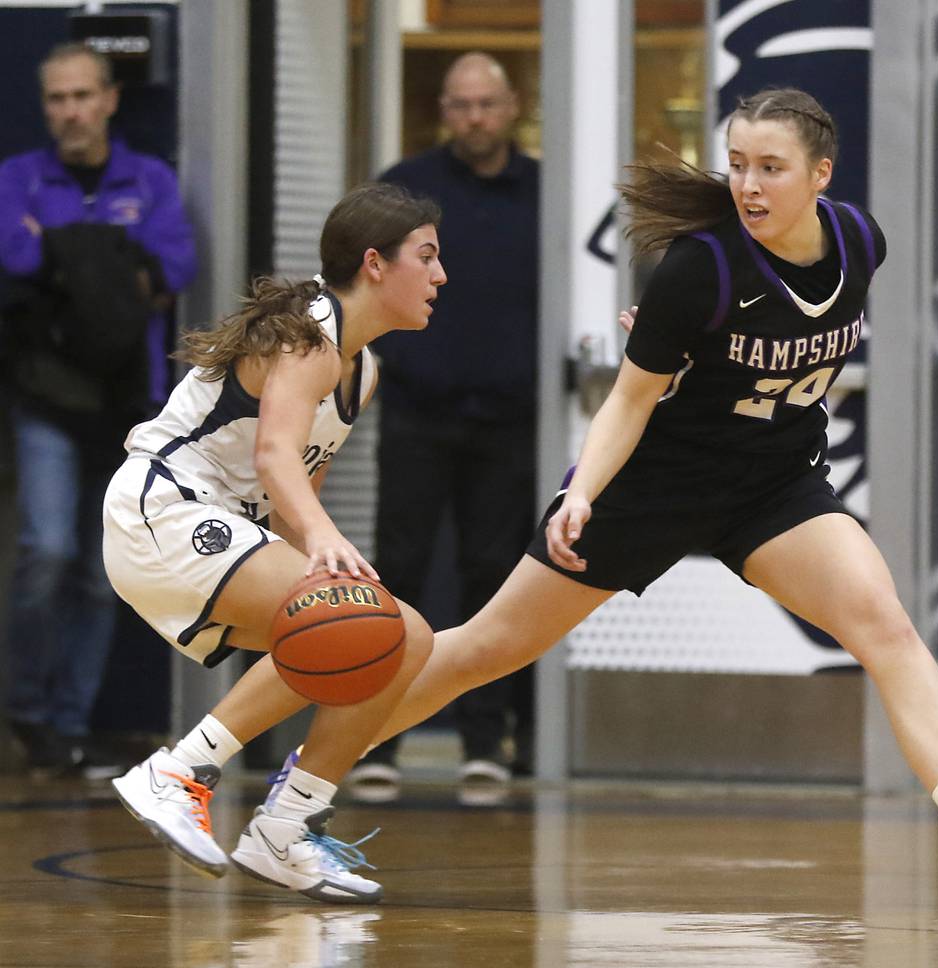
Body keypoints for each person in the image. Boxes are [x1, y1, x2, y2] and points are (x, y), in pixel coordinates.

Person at [329, 87, 938, 900]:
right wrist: (582, 492)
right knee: (481, 650)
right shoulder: (700, 268)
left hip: (772, 485)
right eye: (739, 165)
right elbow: (630, 399)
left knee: (887, 626)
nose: (749, 185)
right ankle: (305, 783)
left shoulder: (861, 241)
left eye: (771, 169)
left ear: (821, 174)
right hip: (654, 487)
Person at [103, 183, 442, 903]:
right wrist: (328, 546)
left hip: (217, 522)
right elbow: (273, 457)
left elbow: (293, 494)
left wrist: (334, 557)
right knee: (349, 621)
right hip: (162, 507)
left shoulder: (364, 367)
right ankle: (178, 772)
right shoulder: (308, 334)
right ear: (376, 265)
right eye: (429, 256)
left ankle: (285, 828)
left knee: (401, 636)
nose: (441, 276)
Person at [0, 43, 197, 776]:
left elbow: (176, 266)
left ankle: (71, 724)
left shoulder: (150, 179)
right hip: (45, 395)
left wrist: (59, 253)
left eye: (83, 95)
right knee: (46, 551)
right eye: (57, 98)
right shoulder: (18, 178)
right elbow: (10, 260)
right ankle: (27, 710)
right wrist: (117, 262)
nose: (71, 111)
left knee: (100, 568)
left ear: (110, 98)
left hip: (127, 401)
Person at [353, 51, 539, 804]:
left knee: (492, 578)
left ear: (512, 105)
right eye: (460, 105)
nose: (474, 118)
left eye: (486, 104)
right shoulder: (406, 189)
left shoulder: (546, 191)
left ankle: (484, 744)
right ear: (443, 112)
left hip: (510, 418)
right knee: (395, 572)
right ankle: (374, 738)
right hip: (418, 413)